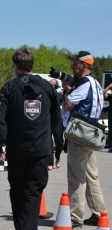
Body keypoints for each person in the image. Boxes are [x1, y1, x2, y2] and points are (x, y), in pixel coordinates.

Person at [0, 47, 61, 230]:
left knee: (17, 192)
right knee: (33, 193)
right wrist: (56, 149)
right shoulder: (47, 87)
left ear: (15, 66)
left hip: (17, 151)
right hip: (40, 151)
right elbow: (56, 121)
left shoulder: (9, 87)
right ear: (32, 65)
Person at [61, 51, 106, 229]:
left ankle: (75, 217)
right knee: (91, 176)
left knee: (76, 177)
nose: (73, 65)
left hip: (80, 135)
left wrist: (66, 90)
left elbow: (68, 104)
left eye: (76, 63)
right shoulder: (95, 83)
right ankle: (99, 213)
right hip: (91, 134)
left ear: (85, 65)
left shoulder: (84, 84)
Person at [48, 79, 65, 170]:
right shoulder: (45, 95)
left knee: (59, 142)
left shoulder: (59, 95)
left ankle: (58, 157)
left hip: (58, 120)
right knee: (48, 140)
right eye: (50, 85)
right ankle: (50, 162)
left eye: (53, 85)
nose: (51, 87)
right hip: (48, 119)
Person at [102, 83, 112, 151]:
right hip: (111, 115)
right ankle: (110, 143)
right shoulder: (111, 96)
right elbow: (102, 93)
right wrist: (109, 86)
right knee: (110, 128)